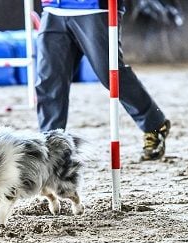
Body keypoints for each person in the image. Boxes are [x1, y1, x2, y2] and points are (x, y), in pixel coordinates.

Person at [36, 0, 171, 161]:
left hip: (94, 8)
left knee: (112, 75)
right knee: (48, 81)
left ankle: (154, 124)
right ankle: (52, 146)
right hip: (53, 9)